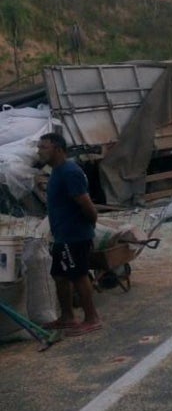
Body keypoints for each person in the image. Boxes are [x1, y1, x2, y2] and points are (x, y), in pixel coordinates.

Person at [36, 133, 102, 336]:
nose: (39, 151)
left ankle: (92, 318)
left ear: (57, 148)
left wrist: (87, 226)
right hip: (62, 235)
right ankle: (67, 317)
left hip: (74, 235)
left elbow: (87, 205)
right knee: (59, 275)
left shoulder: (70, 172)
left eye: (44, 147)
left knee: (78, 276)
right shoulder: (56, 171)